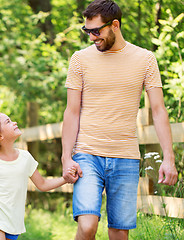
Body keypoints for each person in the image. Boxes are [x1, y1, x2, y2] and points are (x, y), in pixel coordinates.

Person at [61, 0, 178, 239]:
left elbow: (158, 110)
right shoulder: (79, 60)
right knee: (87, 225)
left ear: (115, 25)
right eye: (87, 31)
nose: (92, 37)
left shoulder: (145, 59)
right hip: (87, 153)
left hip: (126, 157)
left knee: (119, 233)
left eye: (96, 31)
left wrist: (169, 157)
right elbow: (71, 112)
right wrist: (66, 157)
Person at [0, 112, 75, 240]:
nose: (14, 123)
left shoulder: (25, 158)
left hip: (13, 222)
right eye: (8, 122)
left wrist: (64, 179)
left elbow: (42, 184)